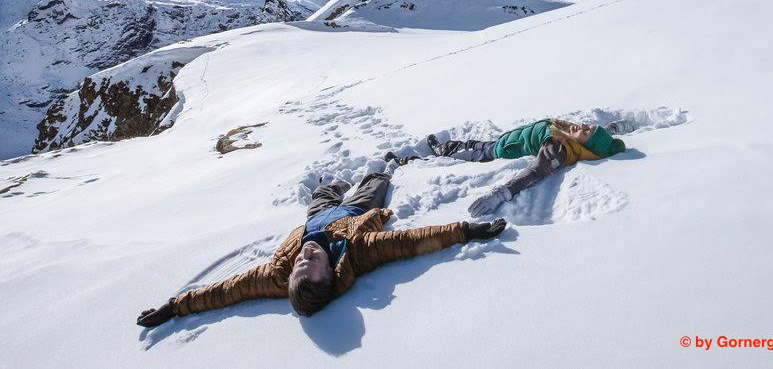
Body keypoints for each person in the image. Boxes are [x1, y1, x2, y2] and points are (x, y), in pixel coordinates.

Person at [136, 168, 506, 326]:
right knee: (376, 182)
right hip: (355, 214)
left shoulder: (277, 277)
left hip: (315, 218)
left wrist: (174, 307)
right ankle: (382, 170)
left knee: (322, 194)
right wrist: (465, 231)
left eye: (299, 263)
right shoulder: (357, 252)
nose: (303, 256)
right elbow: (409, 242)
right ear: (330, 271)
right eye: (310, 261)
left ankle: (329, 185)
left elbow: (225, 292)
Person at [385, 119, 629, 218]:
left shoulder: (560, 149)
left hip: (504, 151)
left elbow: (536, 171)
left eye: (587, 132)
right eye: (589, 127)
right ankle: (444, 147)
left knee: (469, 155)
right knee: (473, 144)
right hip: (508, 139)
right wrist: (614, 129)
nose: (584, 126)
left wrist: (500, 194)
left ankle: (412, 162)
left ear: (586, 145)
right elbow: (601, 140)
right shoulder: (575, 136)